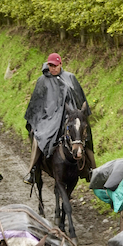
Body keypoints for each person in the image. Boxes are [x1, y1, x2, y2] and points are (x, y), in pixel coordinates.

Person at [23, 52, 96, 184]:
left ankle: (91, 169)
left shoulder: (70, 78)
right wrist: (41, 119)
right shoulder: (42, 81)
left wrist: (77, 114)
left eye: (55, 66)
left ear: (61, 64)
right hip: (48, 118)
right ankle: (34, 169)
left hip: (70, 115)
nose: (53, 68)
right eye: (50, 66)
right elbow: (37, 104)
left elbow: (78, 98)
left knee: (85, 133)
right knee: (37, 135)